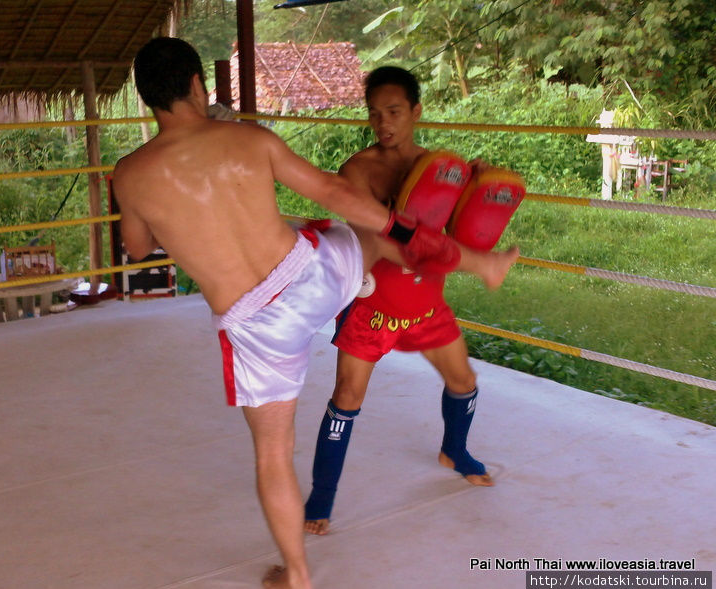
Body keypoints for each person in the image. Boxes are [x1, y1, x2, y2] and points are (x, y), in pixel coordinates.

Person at [113, 39, 517, 589]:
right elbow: (332, 191)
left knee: (273, 455)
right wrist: (392, 226)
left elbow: (135, 249)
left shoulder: (131, 173)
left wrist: (167, 214)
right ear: (196, 85)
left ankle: (297, 574)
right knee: (367, 233)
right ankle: (476, 262)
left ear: (144, 99)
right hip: (316, 276)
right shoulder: (247, 137)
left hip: (257, 326)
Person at [304, 66, 518, 536]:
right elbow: (377, 240)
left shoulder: (441, 168)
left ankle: (454, 451)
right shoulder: (357, 171)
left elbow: (465, 231)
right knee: (346, 397)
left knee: (463, 381)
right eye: (375, 114)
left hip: (425, 303)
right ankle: (321, 498)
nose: (384, 123)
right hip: (374, 306)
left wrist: (476, 190)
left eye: (395, 112)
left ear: (416, 111)